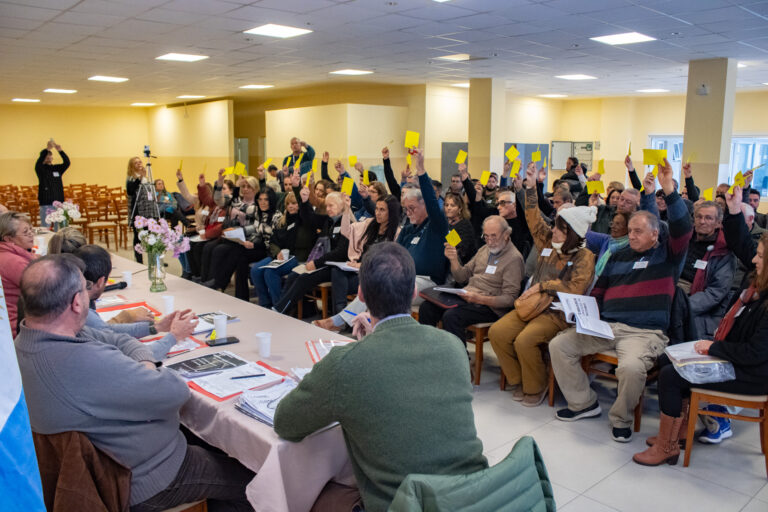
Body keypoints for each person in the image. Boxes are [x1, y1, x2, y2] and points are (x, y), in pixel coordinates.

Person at [14, 255, 255, 512]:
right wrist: (149, 366)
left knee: (209, 443)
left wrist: (142, 363)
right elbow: (174, 391)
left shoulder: (30, 341)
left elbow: (115, 339)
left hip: (119, 460)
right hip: (145, 476)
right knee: (253, 485)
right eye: (85, 289)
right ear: (76, 302)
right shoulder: (82, 360)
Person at [273, 242, 488, 512]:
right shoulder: (453, 347)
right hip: (474, 497)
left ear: (361, 294)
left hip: (403, 505)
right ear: (413, 293)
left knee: (305, 495)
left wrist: (368, 347)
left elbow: (285, 423)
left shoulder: (345, 364)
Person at [549, 159, 693, 443]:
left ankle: (621, 418)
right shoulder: (618, 254)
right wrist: (585, 315)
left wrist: (668, 190)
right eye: (630, 231)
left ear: (655, 234)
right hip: (607, 327)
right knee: (559, 345)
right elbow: (599, 292)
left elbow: (682, 229)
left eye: (638, 232)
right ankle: (584, 403)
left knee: (629, 368)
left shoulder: (668, 255)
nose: (632, 235)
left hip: (643, 332)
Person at [633, 231, 768, 466]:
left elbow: (754, 353)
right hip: (738, 360)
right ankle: (679, 431)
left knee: (672, 376)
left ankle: (667, 445)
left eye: (760, 256)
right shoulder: (757, 291)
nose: (754, 260)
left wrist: (714, 348)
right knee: (668, 359)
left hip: (752, 375)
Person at [489, 166, 596, 407]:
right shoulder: (547, 240)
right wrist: (529, 187)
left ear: (571, 233)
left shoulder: (584, 256)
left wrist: (543, 286)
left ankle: (534, 388)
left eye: (559, 228)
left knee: (524, 340)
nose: (553, 230)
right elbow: (533, 217)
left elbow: (575, 290)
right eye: (555, 226)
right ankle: (519, 379)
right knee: (498, 332)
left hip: (557, 313)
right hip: (531, 305)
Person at [74, 244, 197, 359]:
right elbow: (140, 357)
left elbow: (107, 332)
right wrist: (174, 337)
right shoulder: (84, 314)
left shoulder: (71, 301)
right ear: (101, 281)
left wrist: (156, 327)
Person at [420, 215, 524, 350]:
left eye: (494, 236)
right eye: (486, 236)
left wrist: (480, 299)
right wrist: (454, 259)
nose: (490, 241)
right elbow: (461, 277)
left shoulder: (514, 258)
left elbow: (510, 299)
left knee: (452, 316)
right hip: (470, 296)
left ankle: (460, 362)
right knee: (427, 308)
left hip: (490, 306)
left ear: (506, 234)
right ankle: (429, 352)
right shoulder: (484, 250)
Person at [273, 177, 351, 315]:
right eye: (326, 206)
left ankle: (280, 310)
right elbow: (309, 217)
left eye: (331, 206)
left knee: (304, 278)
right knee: (294, 275)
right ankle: (284, 308)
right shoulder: (329, 220)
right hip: (324, 263)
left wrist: (316, 263)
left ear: (341, 206)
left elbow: (341, 252)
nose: (327, 209)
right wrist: (303, 201)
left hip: (336, 267)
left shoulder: (346, 223)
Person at [250, 191, 315, 309]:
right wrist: (278, 252)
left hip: (298, 257)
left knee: (270, 272)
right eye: (288, 203)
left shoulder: (305, 220)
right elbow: (273, 241)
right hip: (280, 255)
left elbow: (305, 241)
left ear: (300, 204)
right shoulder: (283, 221)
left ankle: (279, 306)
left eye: (294, 203)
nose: (291, 206)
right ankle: (265, 303)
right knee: (256, 270)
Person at [0, 211, 37, 336]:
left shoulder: (8, 254)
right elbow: (43, 290)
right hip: (16, 326)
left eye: (31, 230)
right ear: (8, 238)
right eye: (26, 233)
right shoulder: (14, 262)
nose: (31, 235)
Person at [126, 157, 160, 263]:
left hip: (149, 210)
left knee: (152, 235)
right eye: (136, 163)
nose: (139, 164)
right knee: (139, 236)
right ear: (132, 166)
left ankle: (154, 258)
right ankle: (139, 260)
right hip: (139, 212)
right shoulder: (131, 178)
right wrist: (140, 177)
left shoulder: (147, 177)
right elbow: (131, 191)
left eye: (140, 162)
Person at [35, 139, 70, 230]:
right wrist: (47, 149)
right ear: (43, 158)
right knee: (46, 226)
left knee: (58, 228)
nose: (48, 157)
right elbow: (39, 162)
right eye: (46, 156)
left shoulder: (57, 168)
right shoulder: (40, 169)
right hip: (46, 202)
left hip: (58, 202)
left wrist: (60, 151)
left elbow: (67, 163)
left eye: (50, 156)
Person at [443, 192, 477, 264]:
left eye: (452, 205)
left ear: (460, 208)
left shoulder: (465, 224)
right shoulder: (444, 222)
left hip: (462, 265)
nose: (448, 208)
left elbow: (461, 250)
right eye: (446, 205)